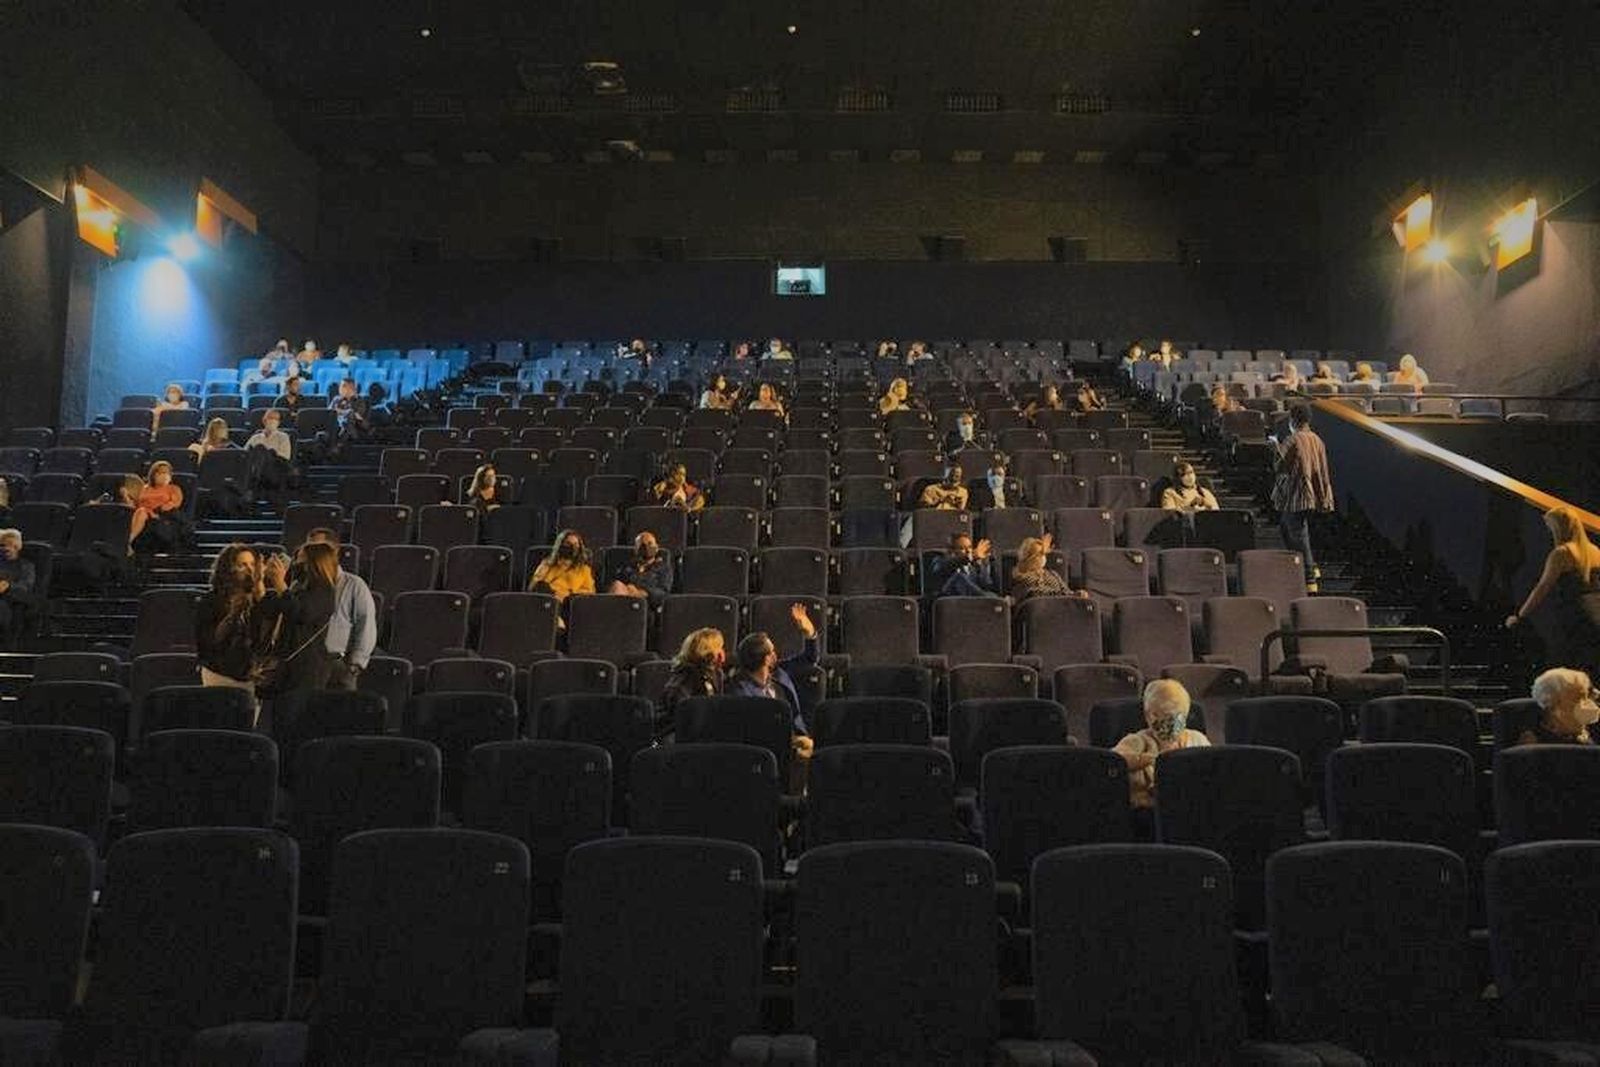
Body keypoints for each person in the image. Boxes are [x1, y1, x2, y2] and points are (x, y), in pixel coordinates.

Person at [1505, 506, 1600, 677]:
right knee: (1591, 667)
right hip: (1596, 613)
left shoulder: (1561, 553)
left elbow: (1542, 587)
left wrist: (1520, 615)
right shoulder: (1594, 551)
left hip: (1574, 615)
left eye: (1550, 527)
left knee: (1570, 666)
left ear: (1558, 527)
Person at [726, 603, 819, 760]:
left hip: (795, 739)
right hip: (766, 749)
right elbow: (752, 732)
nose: (776, 654)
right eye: (772, 651)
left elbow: (808, 660)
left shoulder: (779, 673)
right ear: (767, 658)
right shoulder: (740, 691)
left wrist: (809, 634)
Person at [194, 543, 278, 716]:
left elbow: (267, 636)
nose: (249, 570)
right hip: (219, 673)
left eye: (252, 564)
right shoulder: (211, 600)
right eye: (242, 565)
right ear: (228, 569)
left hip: (251, 676)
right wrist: (233, 614)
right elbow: (210, 641)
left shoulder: (264, 598)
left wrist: (260, 594)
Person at [1114, 679, 1210, 814]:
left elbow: (1211, 773)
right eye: (1164, 716)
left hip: (1191, 810)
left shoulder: (1197, 739)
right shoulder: (1138, 741)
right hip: (1149, 815)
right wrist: (1149, 759)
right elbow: (1113, 762)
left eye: (1178, 717)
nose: (1172, 725)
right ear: (1149, 716)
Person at [300, 527, 377, 690]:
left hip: (338, 665)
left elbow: (366, 625)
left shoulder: (354, 585)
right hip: (306, 667)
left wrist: (355, 665)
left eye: (320, 548)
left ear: (335, 551)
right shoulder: (300, 585)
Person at [259, 540, 338, 694]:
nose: (296, 564)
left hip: (306, 667)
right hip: (285, 663)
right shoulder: (297, 588)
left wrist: (281, 584)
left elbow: (301, 614)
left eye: (301, 560)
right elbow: (270, 609)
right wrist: (260, 581)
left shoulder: (324, 591)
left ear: (315, 564)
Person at [1272, 405, 1335, 589]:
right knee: (1295, 528)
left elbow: (1280, 465)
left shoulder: (1293, 439)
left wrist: (1274, 446)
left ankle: (1308, 577)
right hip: (1314, 493)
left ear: (1293, 420)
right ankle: (1311, 567)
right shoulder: (1317, 439)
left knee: (1296, 531)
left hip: (1297, 493)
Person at [1519, 668, 1598, 746]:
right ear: (1551, 707)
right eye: (1577, 700)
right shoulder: (1532, 747)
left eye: (1587, 699)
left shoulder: (1588, 736)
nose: (1590, 707)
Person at [660, 626, 726, 717]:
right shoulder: (685, 677)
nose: (722, 652)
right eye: (719, 647)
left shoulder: (716, 674)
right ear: (708, 654)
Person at [1010, 534, 1085, 605]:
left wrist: (1076, 594)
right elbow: (1033, 593)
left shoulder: (1053, 574)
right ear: (1032, 559)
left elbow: (1067, 592)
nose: (1043, 558)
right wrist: (1059, 594)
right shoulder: (1020, 578)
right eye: (1041, 555)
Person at [529, 529, 595, 603]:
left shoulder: (584, 570)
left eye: (576, 544)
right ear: (560, 545)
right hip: (548, 604)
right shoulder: (546, 564)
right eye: (568, 544)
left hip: (570, 607)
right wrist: (553, 594)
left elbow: (590, 594)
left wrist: (568, 596)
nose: (573, 547)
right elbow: (534, 586)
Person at [608, 530, 674, 604]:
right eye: (642, 545)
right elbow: (616, 584)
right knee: (617, 585)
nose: (646, 547)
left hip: (647, 605)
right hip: (625, 600)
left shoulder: (664, 568)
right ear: (636, 549)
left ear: (657, 547)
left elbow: (663, 592)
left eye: (650, 543)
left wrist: (642, 593)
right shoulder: (627, 567)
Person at [135, 460, 187, 552]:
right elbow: (139, 503)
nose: (164, 475)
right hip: (144, 513)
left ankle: (129, 541)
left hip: (162, 515)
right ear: (153, 474)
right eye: (161, 473)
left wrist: (156, 511)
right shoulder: (145, 488)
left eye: (167, 473)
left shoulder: (174, 488)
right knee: (140, 512)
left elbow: (174, 503)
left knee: (142, 513)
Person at [929, 532, 999, 598]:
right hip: (949, 601)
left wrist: (983, 565)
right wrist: (972, 556)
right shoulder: (940, 561)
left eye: (969, 547)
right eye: (962, 548)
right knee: (959, 577)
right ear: (952, 551)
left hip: (969, 603)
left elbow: (987, 585)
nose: (968, 551)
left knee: (991, 594)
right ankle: (987, 600)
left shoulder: (973, 566)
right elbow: (945, 567)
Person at [0, 528, 37, 644]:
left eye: (9, 545)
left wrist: (9, 586)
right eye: (2, 545)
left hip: (13, 601)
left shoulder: (26, 566)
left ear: (17, 546)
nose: (5, 548)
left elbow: (26, 588)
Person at [331, 378, 372, 445]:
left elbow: (356, 416)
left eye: (343, 386)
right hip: (336, 426)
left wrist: (341, 411)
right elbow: (329, 413)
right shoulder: (336, 399)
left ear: (351, 388)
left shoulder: (360, 401)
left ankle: (338, 445)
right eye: (340, 386)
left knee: (346, 421)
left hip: (354, 427)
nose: (340, 388)